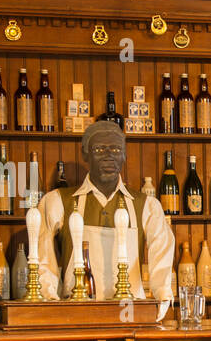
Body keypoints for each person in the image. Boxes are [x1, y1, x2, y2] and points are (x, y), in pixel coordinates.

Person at [36, 120, 175, 300]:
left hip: (130, 311)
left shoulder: (148, 206)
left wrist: (162, 299)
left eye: (116, 149)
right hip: (76, 309)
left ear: (124, 155)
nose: (109, 156)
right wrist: (49, 300)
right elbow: (43, 260)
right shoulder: (56, 201)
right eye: (99, 149)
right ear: (85, 154)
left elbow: (162, 261)